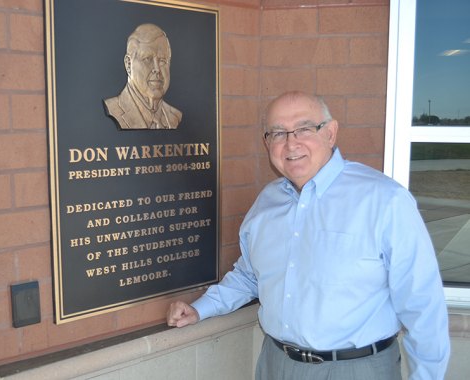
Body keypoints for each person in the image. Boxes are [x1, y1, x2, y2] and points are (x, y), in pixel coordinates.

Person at [167, 91, 450, 379]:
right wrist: (200, 309)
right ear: (267, 143)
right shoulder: (267, 203)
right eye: (278, 133)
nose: (291, 143)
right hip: (277, 364)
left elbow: (422, 302)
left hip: (357, 369)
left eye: (304, 129)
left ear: (330, 133)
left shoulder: (384, 200)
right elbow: (250, 276)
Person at [104, 23, 182, 130]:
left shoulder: (175, 116)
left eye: (163, 60)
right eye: (147, 59)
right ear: (128, 64)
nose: (157, 69)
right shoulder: (114, 109)